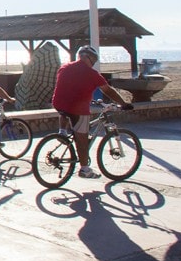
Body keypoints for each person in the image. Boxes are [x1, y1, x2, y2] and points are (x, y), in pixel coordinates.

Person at [51, 45, 133, 179]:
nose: (94, 62)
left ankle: (62, 132)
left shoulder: (64, 67)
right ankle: (84, 170)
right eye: (94, 60)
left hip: (58, 103)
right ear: (90, 58)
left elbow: (67, 87)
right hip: (77, 108)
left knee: (65, 111)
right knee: (82, 138)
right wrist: (123, 103)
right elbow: (108, 90)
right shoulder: (92, 74)